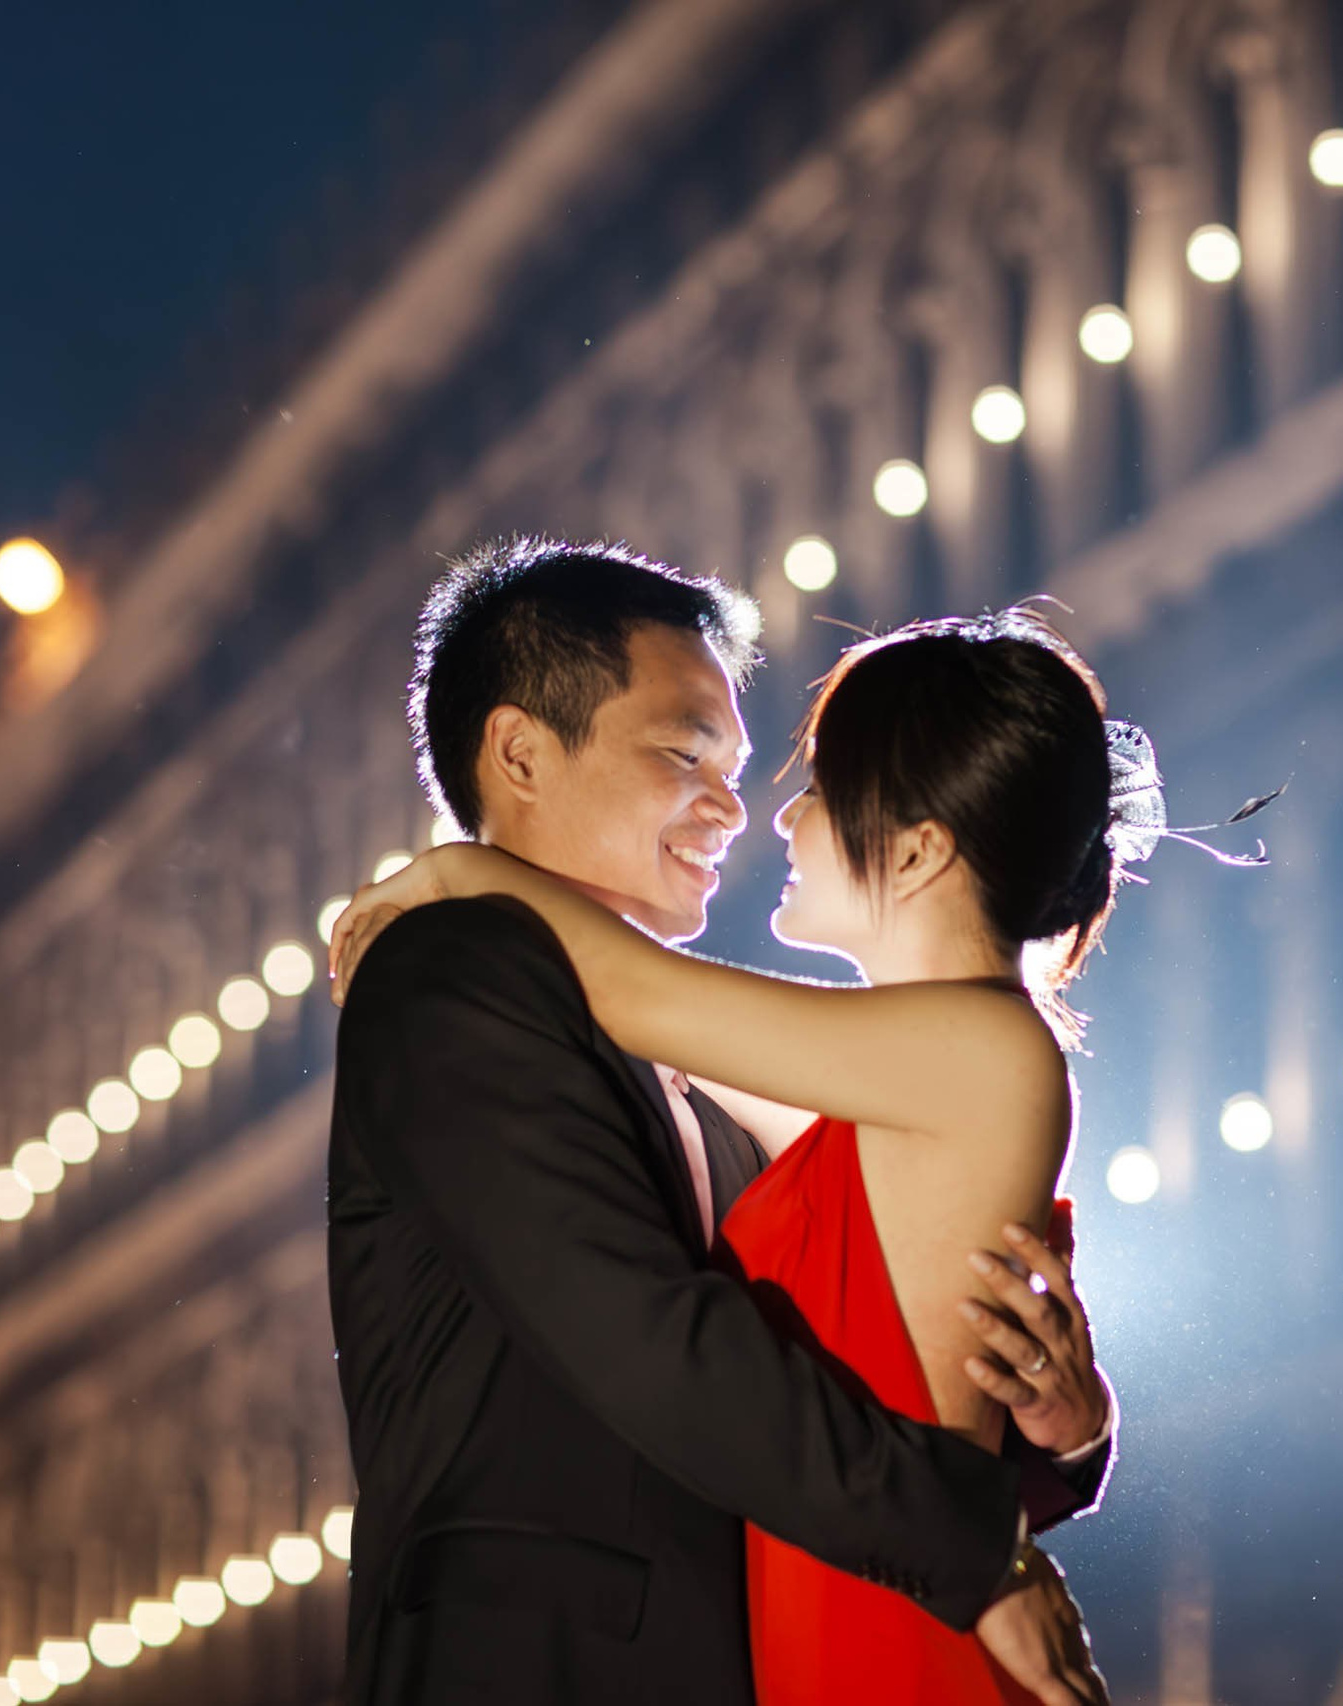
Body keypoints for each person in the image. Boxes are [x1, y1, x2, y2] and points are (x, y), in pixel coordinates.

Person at [325, 539, 1116, 1706]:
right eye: (682, 752)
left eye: (759, 771)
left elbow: (861, 1368)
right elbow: (645, 1333)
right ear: (519, 752)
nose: (741, 808)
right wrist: (975, 1541)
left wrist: (1062, 1439)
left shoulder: (727, 1052)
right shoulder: (455, 977)